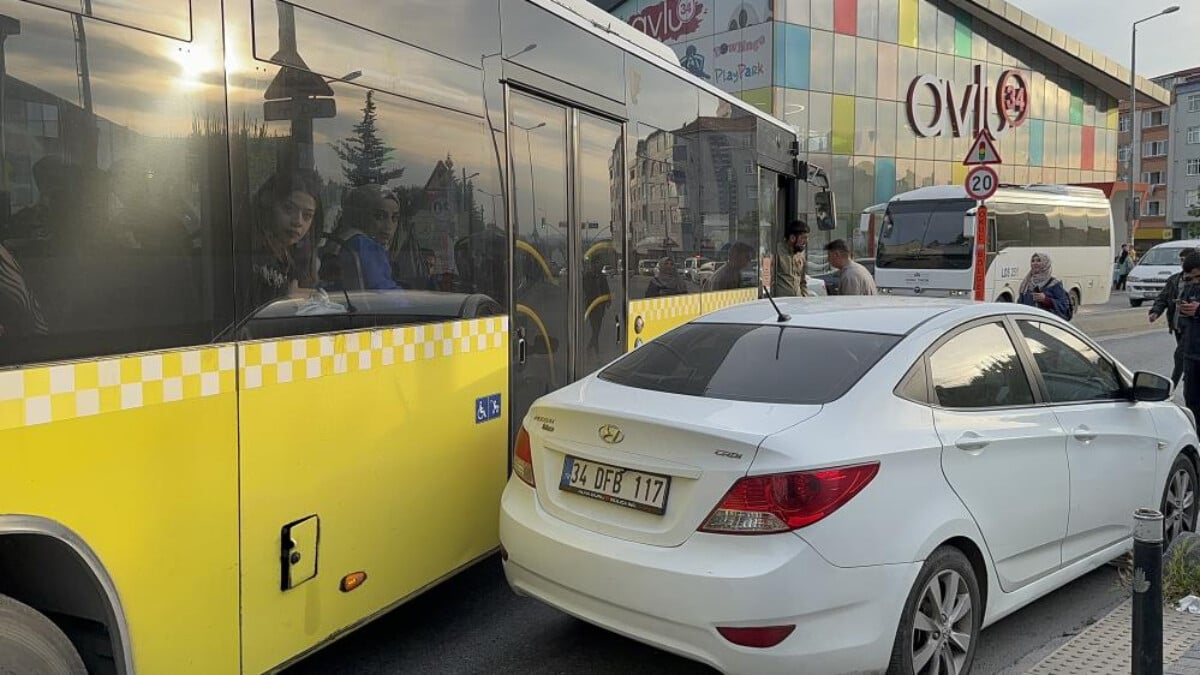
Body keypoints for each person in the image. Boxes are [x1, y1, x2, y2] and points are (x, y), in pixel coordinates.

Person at [241, 170, 324, 311]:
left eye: (307, 216)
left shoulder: (295, 257)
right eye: (288, 209)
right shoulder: (249, 254)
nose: (298, 221)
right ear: (268, 207)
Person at [322, 184, 401, 290]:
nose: (389, 226)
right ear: (360, 215)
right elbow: (383, 292)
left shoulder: (341, 238)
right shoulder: (363, 245)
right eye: (379, 216)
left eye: (394, 218)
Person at [1149, 247, 1195, 387]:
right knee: (1186, 356)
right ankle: (1189, 376)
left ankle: (1171, 386)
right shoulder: (1174, 279)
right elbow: (1163, 297)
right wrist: (1155, 311)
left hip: (1192, 326)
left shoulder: (1195, 280)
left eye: (1185, 260)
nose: (1182, 263)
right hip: (1177, 325)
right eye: (1181, 260)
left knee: (1180, 355)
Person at [1176, 252, 1200, 423]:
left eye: (1198, 277)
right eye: (1190, 278)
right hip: (1191, 354)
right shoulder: (1190, 287)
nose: (1195, 282)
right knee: (1192, 402)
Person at [1017, 252, 1071, 320]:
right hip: (1029, 323)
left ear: (1046, 264)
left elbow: (1064, 307)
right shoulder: (1026, 283)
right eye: (1033, 261)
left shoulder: (1054, 284)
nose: (1035, 263)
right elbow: (1020, 304)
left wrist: (1046, 300)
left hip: (1048, 324)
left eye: (1039, 260)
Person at [773, 219, 809, 297]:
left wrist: (804, 297)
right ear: (792, 238)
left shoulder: (801, 256)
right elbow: (767, 279)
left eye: (807, 238)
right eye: (803, 238)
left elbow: (803, 281)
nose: (806, 241)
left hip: (797, 303)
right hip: (780, 303)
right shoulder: (776, 252)